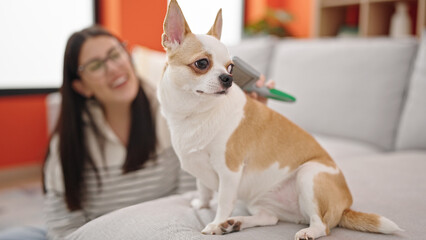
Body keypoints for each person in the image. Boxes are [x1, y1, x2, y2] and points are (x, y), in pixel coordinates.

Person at [0, 25, 274, 240]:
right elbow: (62, 225)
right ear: (81, 86)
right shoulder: (69, 142)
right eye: (95, 65)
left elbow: (194, 198)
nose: (113, 67)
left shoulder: (179, 114)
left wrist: (245, 119)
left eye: (115, 53)